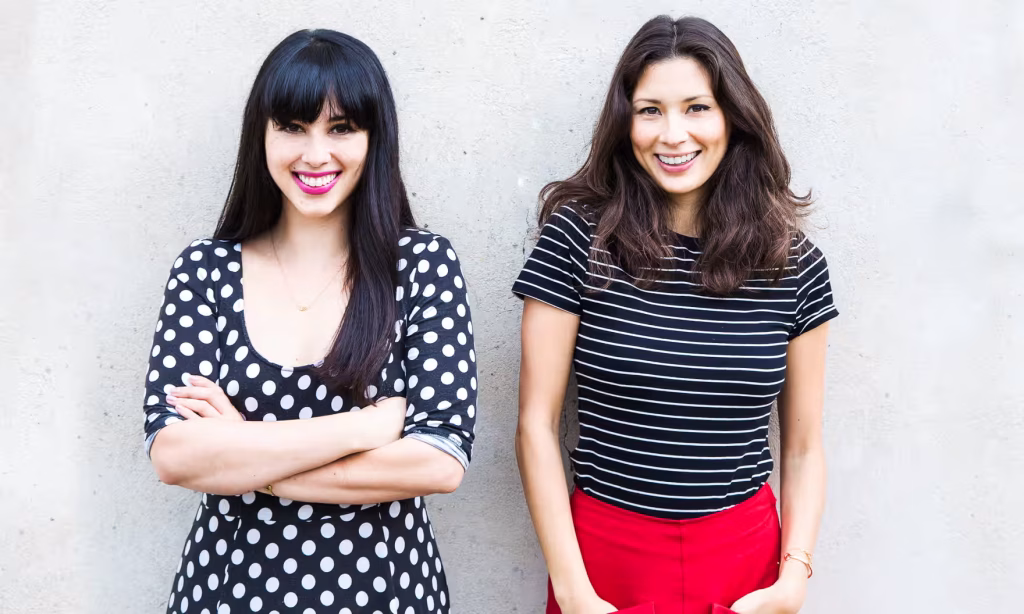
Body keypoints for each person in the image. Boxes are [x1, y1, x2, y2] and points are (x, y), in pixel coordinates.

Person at [142, 29, 477, 614]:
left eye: (341, 128)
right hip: (228, 593)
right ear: (261, 135)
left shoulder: (422, 265)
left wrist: (245, 455)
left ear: (374, 138)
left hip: (385, 595)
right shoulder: (204, 270)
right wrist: (366, 428)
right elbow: (174, 455)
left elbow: (438, 460)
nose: (316, 154)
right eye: (293, 127)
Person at [513, 15, 837, 614]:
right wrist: (574, 591)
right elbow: (535, 425)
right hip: (603, 558)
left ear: (733, 117)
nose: (673, 134)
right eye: (650, 111)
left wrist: (794, 579)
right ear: (625, 122)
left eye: (696, 108)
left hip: (744, 563)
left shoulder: (793, 265)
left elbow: (803, 446)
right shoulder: (577, 242)